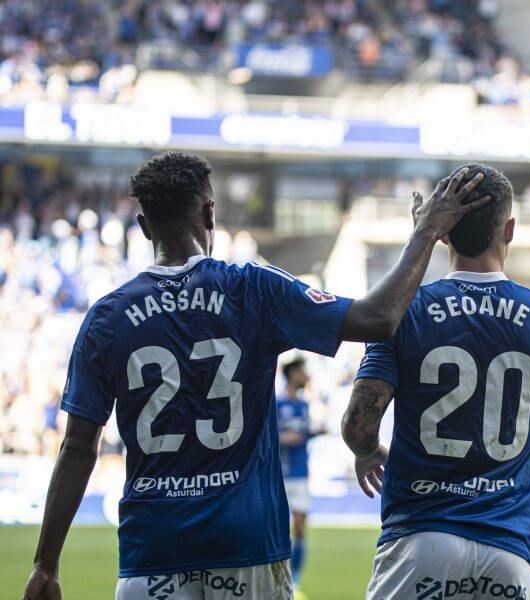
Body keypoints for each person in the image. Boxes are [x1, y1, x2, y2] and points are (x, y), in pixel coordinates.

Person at [22, 152, 491, 600]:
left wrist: (46, 564)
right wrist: (426, 233)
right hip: (245, 544)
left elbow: (78, 447)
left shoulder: (107, 317)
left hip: (153, 553)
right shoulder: (254, 287)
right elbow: (377, 320)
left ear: (143, 226)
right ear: (209, 214)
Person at [341, 163, 530, 599]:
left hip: (419, 540)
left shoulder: (402, 312)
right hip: (506, 550)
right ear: (509, 230)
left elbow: (358, 427)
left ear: (443, 233)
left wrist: (368, 451)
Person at [275, 355, 321, 597]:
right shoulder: (277, 403)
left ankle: (295, 579)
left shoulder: (304, 405)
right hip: (281, 475)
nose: (306, 374)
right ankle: (279, 577)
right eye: (302, 369)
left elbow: (303, 434)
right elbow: (266, 438)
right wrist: (284, 438)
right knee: (280, 530)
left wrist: (315, 432)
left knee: (301, 528)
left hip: (301, 473)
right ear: (292, 373)